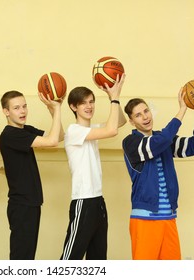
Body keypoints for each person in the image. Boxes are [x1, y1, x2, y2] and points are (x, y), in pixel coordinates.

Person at [122, 89, 194, 260]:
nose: (145, 117)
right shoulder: (131, 143)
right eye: (138, 115)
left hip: (169, 218)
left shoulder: (163, 139)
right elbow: (158, 143)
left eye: (146, 111)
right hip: (145, 220)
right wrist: (182, 110)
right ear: (132, 122)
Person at [60, 74, 126, 260]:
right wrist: (114, 97)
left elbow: (120, 122)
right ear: (73, 107)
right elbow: (112, 130)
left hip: (98, 201)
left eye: (91, 102)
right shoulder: (73, 131)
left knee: (98, 260)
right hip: (84, 200)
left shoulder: (93, 129)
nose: (89, 106)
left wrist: (114, 96)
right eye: (83, 103)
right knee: (70, 260)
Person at [0, 90, 64, 260]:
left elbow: (60, 136)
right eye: (16, 108)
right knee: (22, 259)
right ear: (6, 112)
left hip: (31, 203)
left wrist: (52, 110)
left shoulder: (25, 130)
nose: (23, 111)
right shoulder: (10, 135)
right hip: (21, 205)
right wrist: (57, 109)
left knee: (28, 257)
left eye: (24, 106)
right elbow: (52, 142)